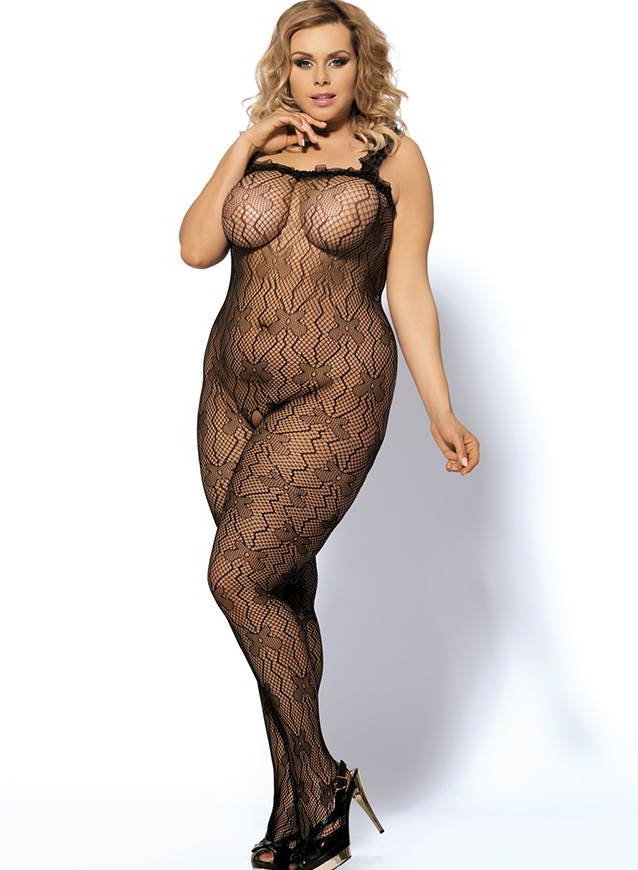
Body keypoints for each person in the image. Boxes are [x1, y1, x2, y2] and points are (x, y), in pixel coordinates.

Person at [179, 2, 480, 867]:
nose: (320, 79)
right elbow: (196, 249)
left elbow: (409, 290)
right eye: (304, 62)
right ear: (284, 68)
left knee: (234, 576)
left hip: (336, 391)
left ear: (362, 65)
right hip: (230, 390)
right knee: (279, 592)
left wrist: (440, 408)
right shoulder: (258, 150)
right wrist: (245, 144)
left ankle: (322, 778)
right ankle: (299, 811)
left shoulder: (397, 159)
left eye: (336, 61)